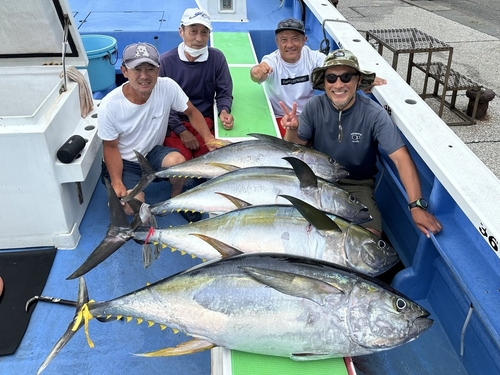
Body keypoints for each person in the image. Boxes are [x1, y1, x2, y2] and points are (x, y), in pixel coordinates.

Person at [282, 49, 442, 238]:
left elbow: (401, 158)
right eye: (331, 78)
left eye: (346, 77)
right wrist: (291, 129)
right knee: (297, 231)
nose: (338, 84)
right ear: (324, 83)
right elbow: (295, 147)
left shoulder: (374, 114)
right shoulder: (313, 106)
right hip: (318, 180)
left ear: (357, 81)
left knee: (369, 240)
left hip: (357, 184)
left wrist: (416, 205)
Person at [98, 42, 218, 215]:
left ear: (158, 70)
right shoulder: (109, 106)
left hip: (152, 152)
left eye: (150, 69)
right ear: (124, 71)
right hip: (126, 162)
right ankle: (121, 189)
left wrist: (208, 138)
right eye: (137, 69)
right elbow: (110, 147)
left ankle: (176, 197)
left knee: (179, 162)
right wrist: (117, 181)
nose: (144, 76)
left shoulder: (167, 86)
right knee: (132, 208)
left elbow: (191, 112)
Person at [250, 18, 386, 137]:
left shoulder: (314, 57)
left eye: (295, 39)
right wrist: (257, 72)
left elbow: (338, 67)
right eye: (284, 40)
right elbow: (257, 75)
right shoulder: (271, 60)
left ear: (305, 40)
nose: (290, 45)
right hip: (282, 117)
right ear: (277, 42)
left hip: (309, 116)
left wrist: (364, 80)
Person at [159, 8, 234, 161]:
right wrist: (181, 131)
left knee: (213, 161)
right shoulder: (165, 62)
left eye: (204, 32)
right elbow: (160, 103)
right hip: (174, 122)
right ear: (181, 32)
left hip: (204, 122)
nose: (199, 39)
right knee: (178, 162)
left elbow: (224, 91)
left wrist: (224, 111)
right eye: (193, 31)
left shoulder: (217, 58)